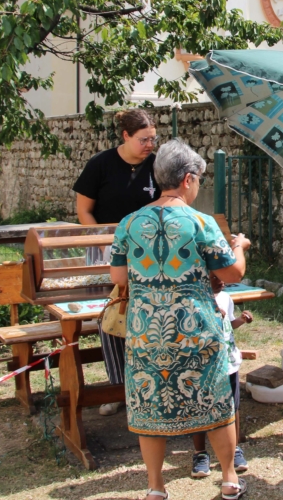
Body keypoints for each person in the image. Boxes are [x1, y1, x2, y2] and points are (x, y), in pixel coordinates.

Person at [110, 139, 251, 500]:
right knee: (215, 402)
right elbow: (233, 273)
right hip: (195, 331)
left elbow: (119, 277)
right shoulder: (201, 223)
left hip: (146, 332)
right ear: (188, 179)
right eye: (199, 179)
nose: (198, 185)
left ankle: (156, 487)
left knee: (148, 408)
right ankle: (229, 479)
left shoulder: (129, 224)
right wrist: (239, 247)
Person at [73, 109, 161, 416]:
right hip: (105, 250)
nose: (150, 145)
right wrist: (103, 241)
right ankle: (117, 387)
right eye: (143, 139)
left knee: (147, 316)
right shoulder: (101, 164)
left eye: (153, 139)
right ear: (125, 136)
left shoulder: (157, 166)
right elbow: (84, 210)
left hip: (148, 254)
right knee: (111, 319)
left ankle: (149, 382)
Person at [192, 274, 254, 479]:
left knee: (233, 407)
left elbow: (228, 324)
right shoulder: (193, 300)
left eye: (223, 277)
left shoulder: (226, 297)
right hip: (203, 364)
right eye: (215, 277)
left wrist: (241, 320)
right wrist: (209, 316)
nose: (222, 281)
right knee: (201, 407)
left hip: (228, 362)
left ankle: (234, 449)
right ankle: (200, 453)